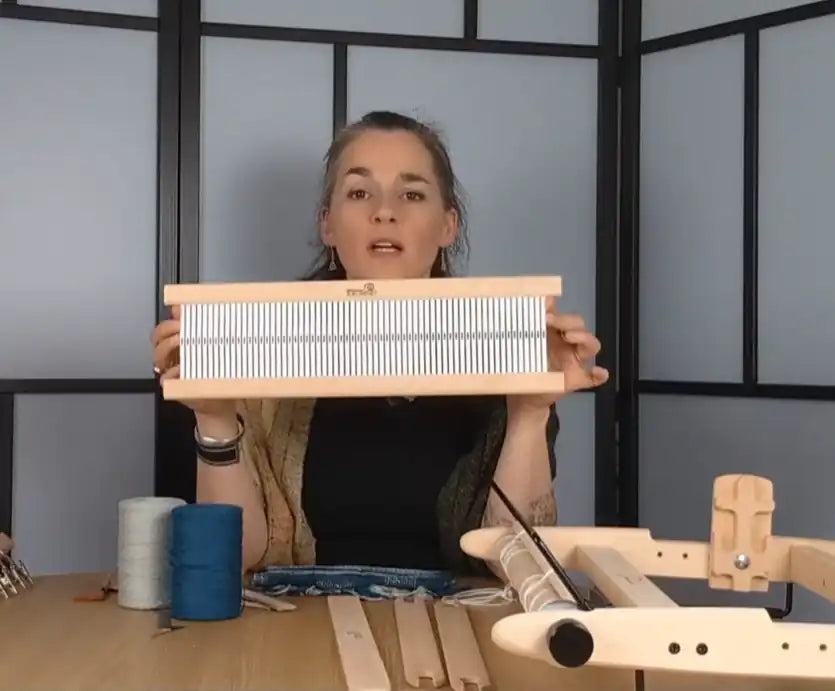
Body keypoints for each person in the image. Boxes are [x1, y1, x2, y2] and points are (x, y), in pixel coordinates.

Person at [150, 110, 608, 579]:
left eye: (412, 194)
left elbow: (520, 566)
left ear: (448, 225)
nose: (384, 212)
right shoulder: (258, 353)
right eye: (359, 192)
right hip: (303, 618)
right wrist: (215, 418)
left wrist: (530, 411)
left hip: (460, 619)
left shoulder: (506, 355)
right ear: (328, 225)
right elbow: (236, 557)